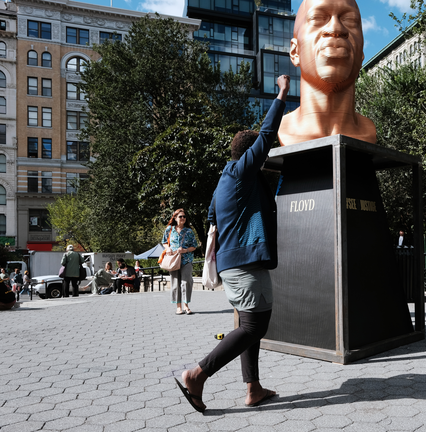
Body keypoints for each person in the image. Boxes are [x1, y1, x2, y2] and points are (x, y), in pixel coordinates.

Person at [176, 75, 289, 413]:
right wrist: (282, 93)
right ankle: (197, 374)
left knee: (246, 325)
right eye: (260, 156)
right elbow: (267, 136)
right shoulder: (242, 173)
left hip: (231, 265)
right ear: (250, 156)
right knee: (256, 325)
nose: (264, 160)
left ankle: (253, 388)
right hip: (244, 265)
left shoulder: (224, 183)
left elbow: (212, 217)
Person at [277, 0, 376, 146]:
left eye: (349, 20)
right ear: (295, 52)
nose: (336, 28)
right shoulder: (283, 129)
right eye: (317, 18)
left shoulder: (368, 131)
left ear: (361, 54)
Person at [163, 209, 198, 315]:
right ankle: (179, 307)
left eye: (184, 216)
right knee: (175, 284)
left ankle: (186, 305)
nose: (183, 218)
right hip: (173, 260)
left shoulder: (189, 231)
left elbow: (194, 246)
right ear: (175, 218)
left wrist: (185, 250)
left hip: (186, 259)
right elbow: (164, 242)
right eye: (180, 216)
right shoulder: (169, 229)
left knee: (186, 282)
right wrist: (167, 248)